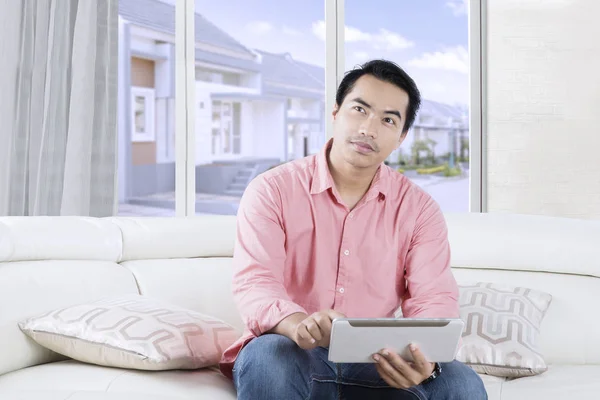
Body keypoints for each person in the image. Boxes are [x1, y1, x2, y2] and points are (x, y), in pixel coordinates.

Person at [219, 59, 487, 400]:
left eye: (388, 119)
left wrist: (426, 359)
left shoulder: (419, 209)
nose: (368, 129)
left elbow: (433, 298)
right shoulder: (272, 190)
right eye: (359, 109)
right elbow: (255, 283)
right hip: (291, 349)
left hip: (377, 361)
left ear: (402, 136)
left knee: (460, 382)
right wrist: (299, 323)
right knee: (270, 357)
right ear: (335, 112)